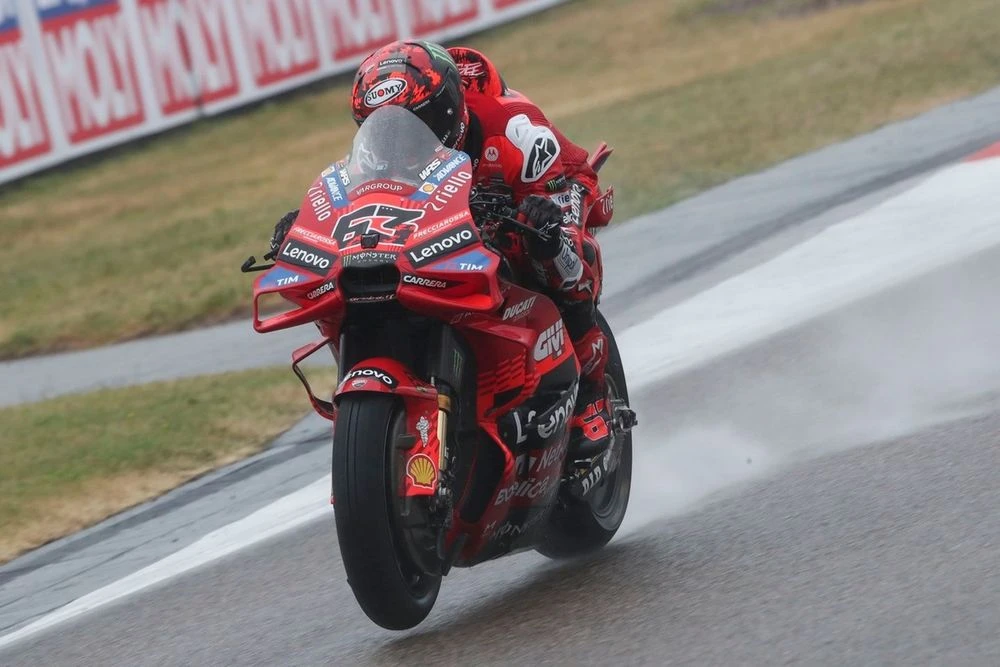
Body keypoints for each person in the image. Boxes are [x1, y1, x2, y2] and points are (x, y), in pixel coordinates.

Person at [269, 40, 614, 460]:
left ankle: (592, 398)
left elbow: (556, 191)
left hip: (550, 183)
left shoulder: (513, 131)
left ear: (450, 111)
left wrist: (540, 217)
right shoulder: (380, 151)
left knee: (559, 252)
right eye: (384, 127)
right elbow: (355, 200)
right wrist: (306, 226)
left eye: (418, 125)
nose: (401, 141)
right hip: (452, 213)